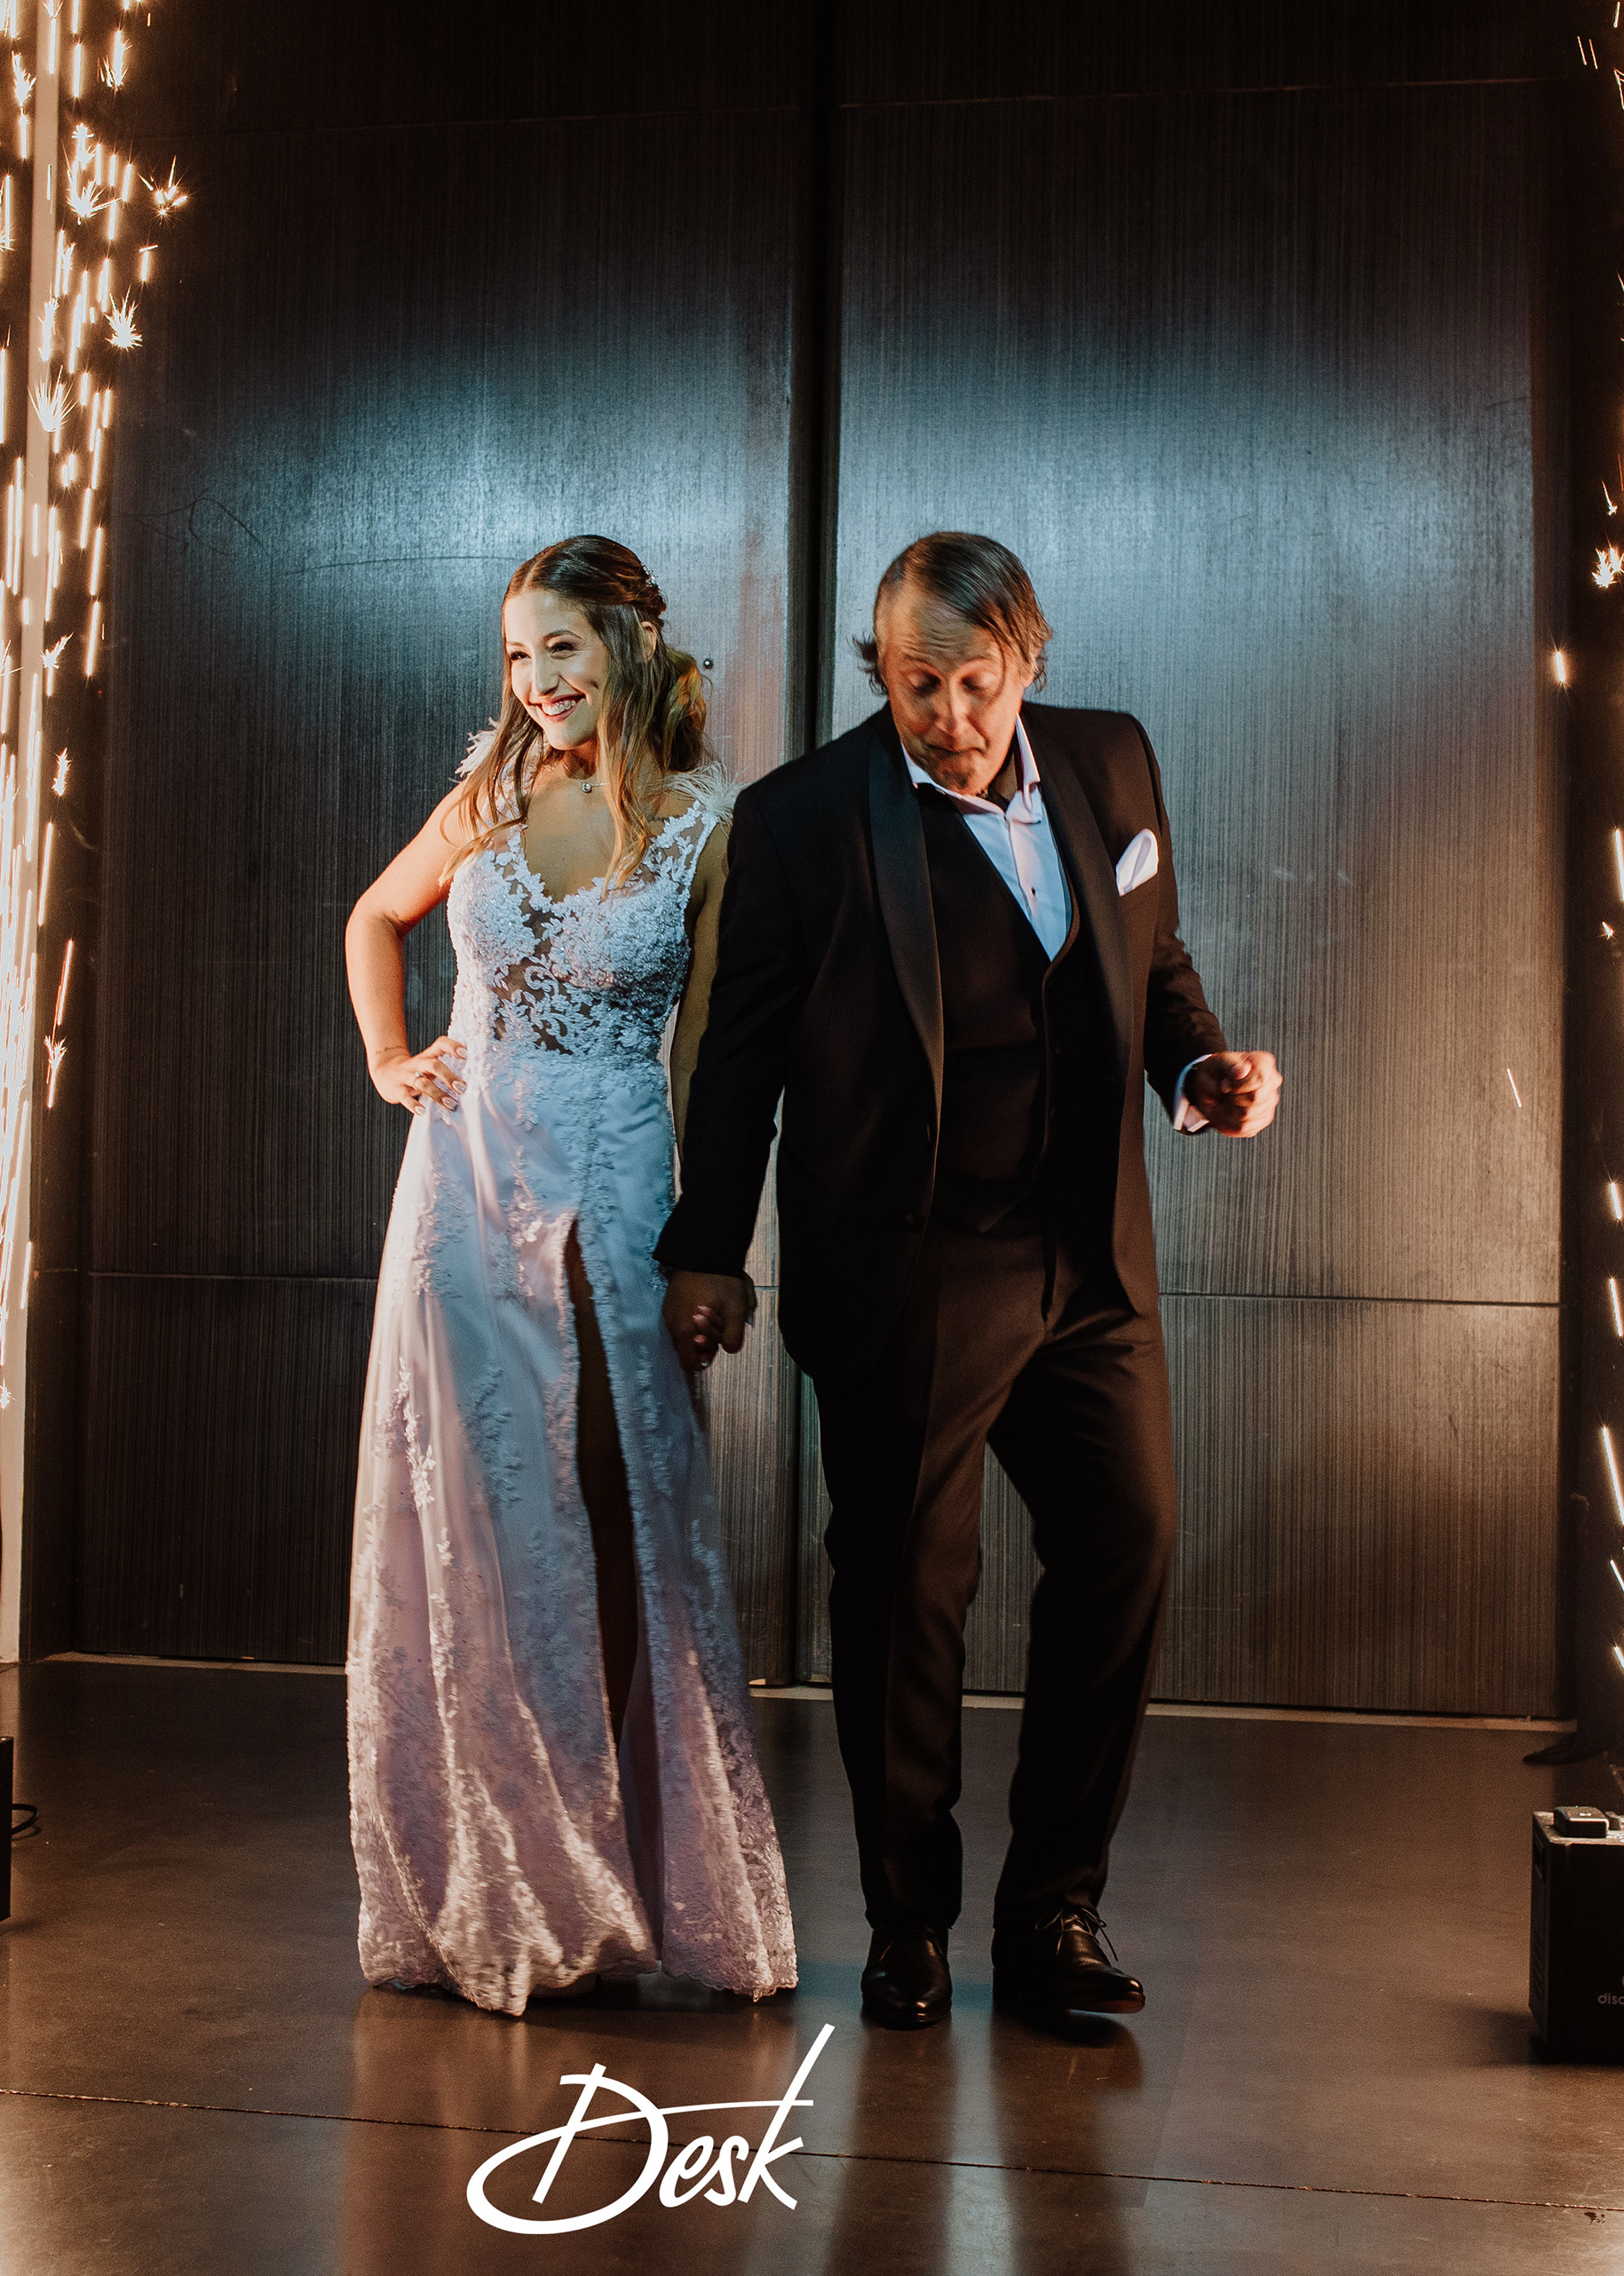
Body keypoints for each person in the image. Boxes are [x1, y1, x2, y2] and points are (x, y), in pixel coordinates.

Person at [658, 533, 1279, 2029]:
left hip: (1089, 1258)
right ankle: (909, 1921)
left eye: (974, 681)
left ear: (1028, 659)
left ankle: (1056, 1908)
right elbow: (738, 1058)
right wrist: (708, 1247)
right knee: (905, 1596)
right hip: (914, 1260)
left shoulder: (1111, 759)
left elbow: (1153, 956)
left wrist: (1199, 1065)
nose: (946, 715)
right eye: (914, 683)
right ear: (882, 672)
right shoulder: (804, 818)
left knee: (1128, 1542)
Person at [340, 536, 797, 2014]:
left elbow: (714, 1055)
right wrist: (392, 1056)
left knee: (609, 1514)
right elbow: (374, 914)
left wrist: (708, 1250)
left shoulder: (707, 823)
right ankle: (496, 1867)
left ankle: (599, 1867)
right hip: (461, 1186)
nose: (537, 680)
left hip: (613, 1184)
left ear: (630, 646)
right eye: (517, 654)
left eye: (562, 647)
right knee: (470, 1515)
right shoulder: (489, 792)